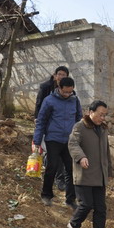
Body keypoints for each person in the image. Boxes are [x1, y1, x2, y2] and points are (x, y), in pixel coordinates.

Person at [67, 100, 114, 228]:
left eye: (105, 115)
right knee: (86, 204)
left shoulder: (103, 129)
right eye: (100, 115)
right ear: (90, 112)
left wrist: (109, 171)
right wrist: (81, 157)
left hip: (100, 176)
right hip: (84, 174)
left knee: (101, 208)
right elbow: (73, 144)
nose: (103, 118)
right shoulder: (80, 127)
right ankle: (73, 224)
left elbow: (106, 152)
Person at [32, 76, 82, 209]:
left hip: (69, 141)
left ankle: (70, 199)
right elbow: (41, 121)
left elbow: (79, 120)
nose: (67, 94)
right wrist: (37, 141)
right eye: (65, 92)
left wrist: (79, 138)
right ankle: (46, 195)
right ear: (59, 88)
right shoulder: (49, 101)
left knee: (71, 169)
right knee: (52, 167)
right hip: (53, 139)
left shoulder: (75, 100)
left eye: (70, 92)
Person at [34, 66, 70, 191]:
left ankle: (59, 178)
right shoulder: (45, 87)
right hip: (46, 124)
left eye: (64, 75)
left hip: (61, 127)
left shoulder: (69, 91)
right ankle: (54, 174)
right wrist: (37, 119)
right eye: (59, 74)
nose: (61, 77)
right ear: (55, 75)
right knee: (50, 151)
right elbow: (39, 104)